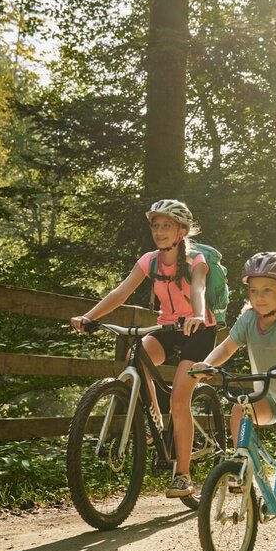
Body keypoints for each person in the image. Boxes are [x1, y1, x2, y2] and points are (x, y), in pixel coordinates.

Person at [70, 199, 217, 497]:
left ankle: (183, 475)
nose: (159, 232)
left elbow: (199, 287)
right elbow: (121, 292)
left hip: (199, 330)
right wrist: (90, 316)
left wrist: (198, 314)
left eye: (166, 226)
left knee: (179, 399)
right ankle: (154, 422)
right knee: (135, 358)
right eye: (156, 226)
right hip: (167, 328)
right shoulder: (149, 261)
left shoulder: (196, 260)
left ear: (181, 231)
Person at [191, 252, 276, 539]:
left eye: (267, 291)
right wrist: (207, 364)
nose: (259, 297)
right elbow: (226, 347)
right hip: (268, 395)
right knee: (239, 408)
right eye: (254, 291)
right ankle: (239, 463)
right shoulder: (248, 320)